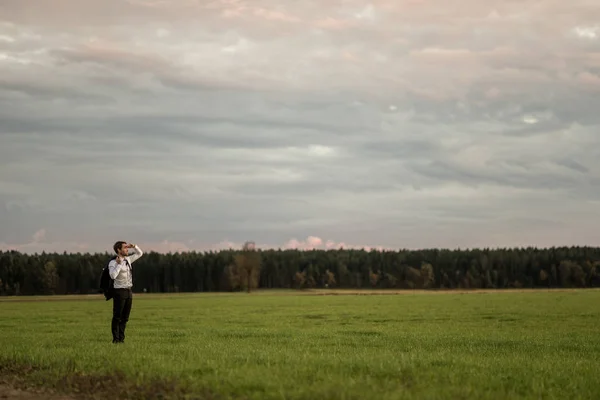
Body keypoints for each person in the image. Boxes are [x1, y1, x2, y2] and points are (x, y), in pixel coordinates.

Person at [108, 241, 143, 343]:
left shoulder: (128, 259)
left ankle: (121, 339)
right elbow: (113, 276)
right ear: (119, 250)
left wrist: (134, 246)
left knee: (125, 318)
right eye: (125, 247)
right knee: (117, 317)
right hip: (119, 292)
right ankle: (115, 339)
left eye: (127, 247)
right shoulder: (113, 263)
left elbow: (140, 253)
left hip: (128, 291)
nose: (127, 249)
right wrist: (119, 264)